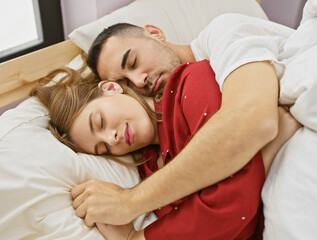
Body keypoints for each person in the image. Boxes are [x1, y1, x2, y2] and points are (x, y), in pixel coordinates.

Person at [31, 59, 301, 239]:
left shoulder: (190, 82)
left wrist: (135, 237)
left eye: (100, 121)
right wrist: (261, 159)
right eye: (103, 149)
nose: (112, 139)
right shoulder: (149, 171)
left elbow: (231, 204)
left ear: (111, 88)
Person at [71, 13, 295, 229]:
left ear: (155, 33)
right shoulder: (158, 144)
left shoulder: (222, 33)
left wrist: (129, 204)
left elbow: (255, 120)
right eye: (126, 84)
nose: (139, 81)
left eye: (133, 62)